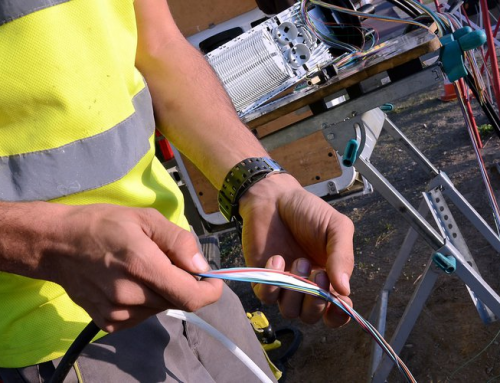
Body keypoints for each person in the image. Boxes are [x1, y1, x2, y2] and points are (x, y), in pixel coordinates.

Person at [0, 0, 354, 381]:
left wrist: (260, 183)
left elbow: (158, 45)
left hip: (191, 276)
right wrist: (47, 243)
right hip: (55, 332)